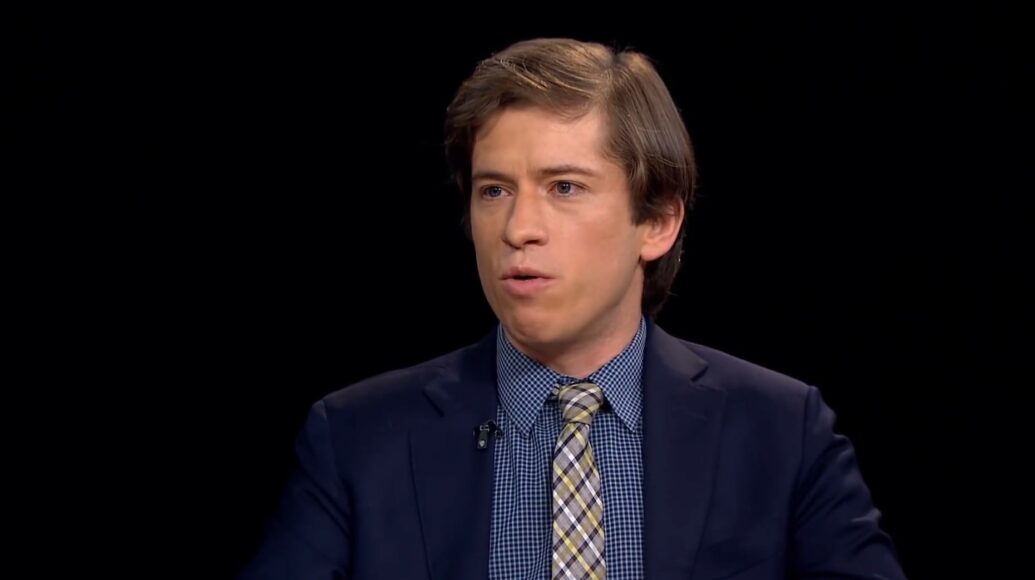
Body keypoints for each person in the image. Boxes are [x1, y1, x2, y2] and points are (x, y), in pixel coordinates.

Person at [240, 37, 906, 579]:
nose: (519, 227)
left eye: (564, 187)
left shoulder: (782, 433)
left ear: (658, 222)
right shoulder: (357, 439)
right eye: (494, 190)